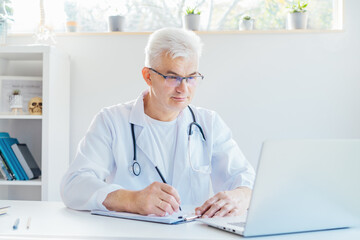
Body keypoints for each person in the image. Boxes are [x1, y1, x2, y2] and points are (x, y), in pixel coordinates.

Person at [60, 27, 255, 218]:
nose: (184, 89)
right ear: (148, 76)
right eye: (173, 77)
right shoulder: (111, 121)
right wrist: (131, 199)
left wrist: (240, 196)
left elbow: (246, 179)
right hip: (130, 234)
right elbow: (74, 185)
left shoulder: (208, 123)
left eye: (191, 77)